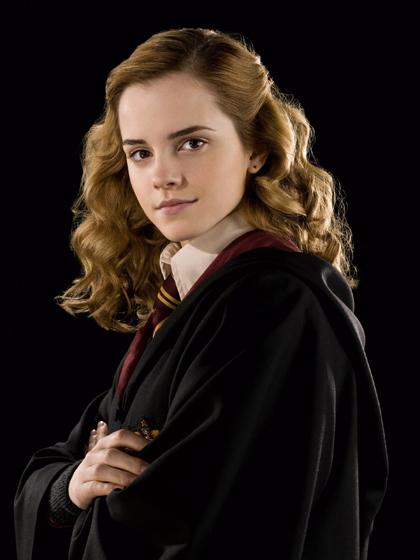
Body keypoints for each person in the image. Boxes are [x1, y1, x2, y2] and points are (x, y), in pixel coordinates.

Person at [14, 27, 388, 560]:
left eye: (192, 143)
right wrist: (70, 488)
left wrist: (95, 496)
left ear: (256, 149)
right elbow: (63, 464)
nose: (162, 176)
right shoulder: (188, 298)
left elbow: (203, 527)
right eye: (140, 153)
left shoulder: (276, 305)